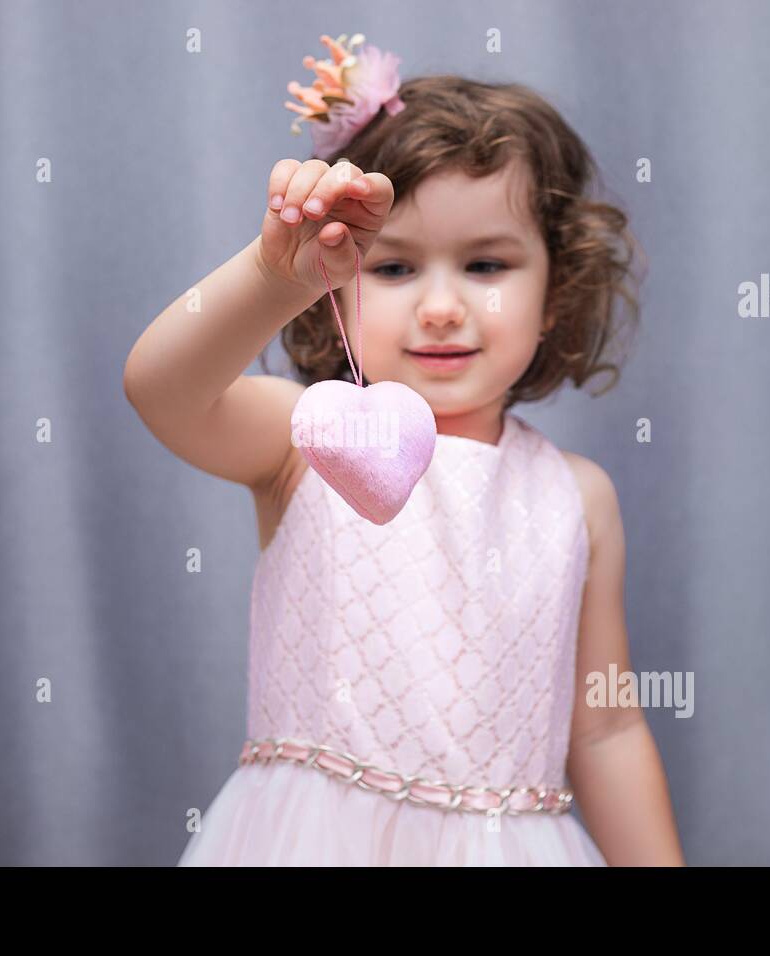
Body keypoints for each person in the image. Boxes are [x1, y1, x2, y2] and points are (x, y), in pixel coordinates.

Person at [125, 33, 684, 865]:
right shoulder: (300, 436)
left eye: (486, 264)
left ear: (555, 288)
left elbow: (604, 728)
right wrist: (275, 279)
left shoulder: (577, 496)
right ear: (336, 284)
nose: (441, 308)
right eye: (393, 270)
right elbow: (162, 388)